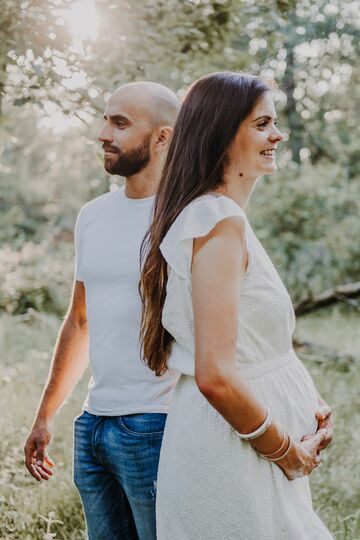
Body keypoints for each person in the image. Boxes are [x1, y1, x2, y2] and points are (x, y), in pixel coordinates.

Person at [139, 72, 334, 539]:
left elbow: (246, 348)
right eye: (263, 123)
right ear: (224, 133)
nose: (278, 135)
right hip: (236, 455)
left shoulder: (222, 218)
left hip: (248, 450)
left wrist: (304, 401)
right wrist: (286, 450)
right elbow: (216, 376)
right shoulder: (217, 221)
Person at [24, 81, 180, 540]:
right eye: (104, 119)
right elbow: (80, 320)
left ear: (163, 137)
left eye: (119, 123)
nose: (102, 133)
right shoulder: (92, 215)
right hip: (93, 426)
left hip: (157, 426)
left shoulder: (189, 217)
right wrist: (46, 414)